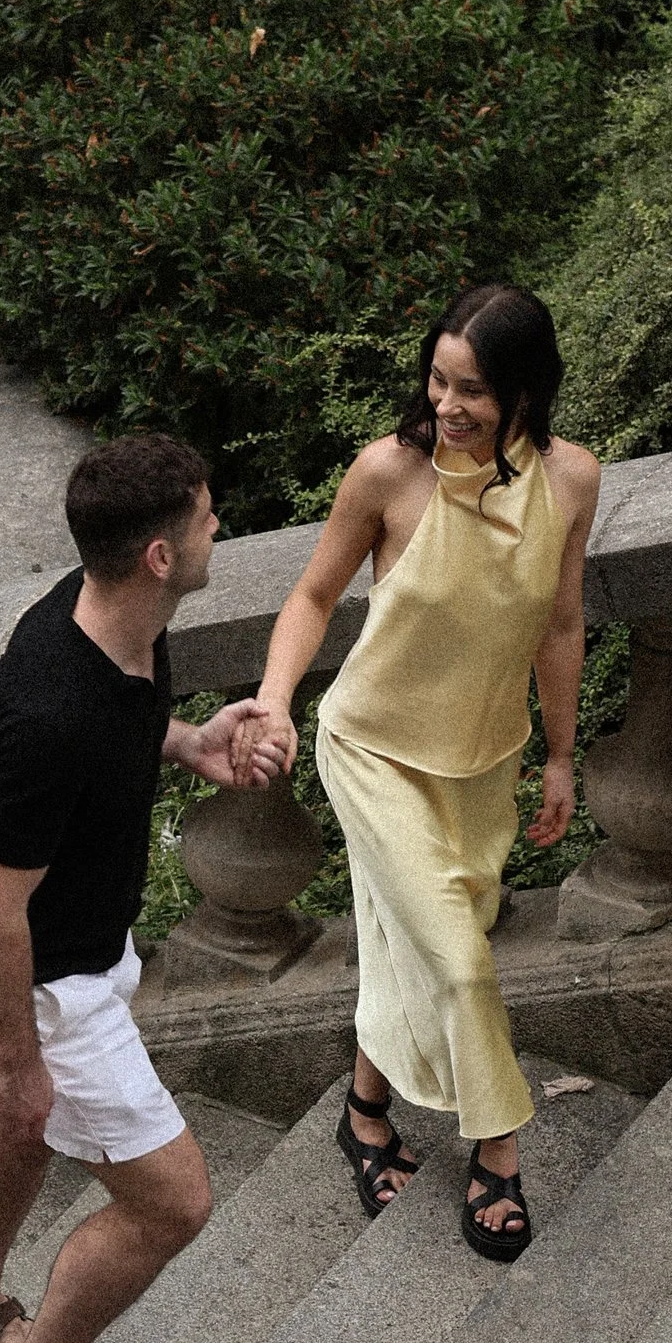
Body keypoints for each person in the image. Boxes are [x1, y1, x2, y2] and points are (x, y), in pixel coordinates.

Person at [241, 282, 599, 1261]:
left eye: (472, 388)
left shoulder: (570, 480)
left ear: (524, 389)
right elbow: (312, 595)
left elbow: (559, 624)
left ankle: (364, 1112)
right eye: (438, 379)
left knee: (414, 938)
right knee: (457, 958)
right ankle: (497, 1152)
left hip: (483, 761)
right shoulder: (389, 474)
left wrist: (560, 754)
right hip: (374, 749)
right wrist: (275, 700)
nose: (447, 402)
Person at [0, 433, 259, 1343]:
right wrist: (22, 1058)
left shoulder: (118, 622)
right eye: (206, 514)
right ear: (160, 552)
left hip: (77, 953)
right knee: (171, 1200)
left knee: (16, 1126)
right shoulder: (47, 711)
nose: (218, 526)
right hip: (44, 981)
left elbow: (122, 718)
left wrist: (187, 739)